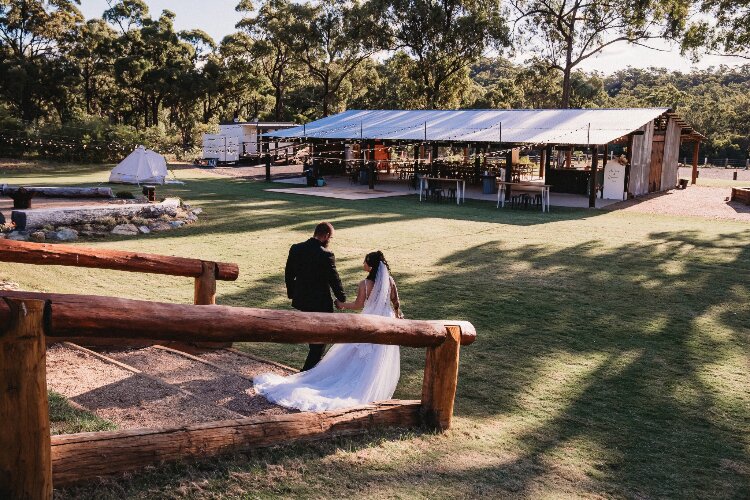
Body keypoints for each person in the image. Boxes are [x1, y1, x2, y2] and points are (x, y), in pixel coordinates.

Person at [254, 251, 403, 412]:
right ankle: (371, 384)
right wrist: (397, 313)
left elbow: (358, 305)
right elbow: (395, 300)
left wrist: (341, 305)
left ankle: (353, 379)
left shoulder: (364, 284)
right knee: (379, 354)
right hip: (386, 319)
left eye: (365, 262)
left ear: (371, 266)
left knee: (359, 351)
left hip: (369, 320)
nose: (363, 264)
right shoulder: (389, 281)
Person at [285, 222, 346, 371]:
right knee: (321, 341)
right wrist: (342, 298)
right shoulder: (326, 255)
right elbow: (334, 279)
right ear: (326, 236)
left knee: (314, 341)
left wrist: (293, 293)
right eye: (330, 237)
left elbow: (288, 274)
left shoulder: (296, 248)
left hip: (302, 301)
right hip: (320, 304)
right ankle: (306, 374)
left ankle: (308, 373)